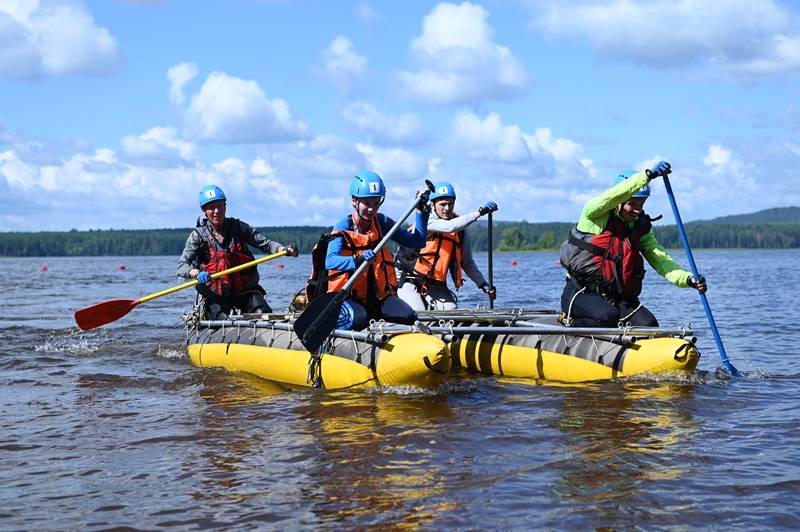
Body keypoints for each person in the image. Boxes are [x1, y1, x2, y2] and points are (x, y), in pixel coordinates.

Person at [558, 161, 707, 327]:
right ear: (619, 201)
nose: (637, 210)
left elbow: (660, 259)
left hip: (615, 297)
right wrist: (647, 176)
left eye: (642, 204)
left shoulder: (639, 227)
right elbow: (611, 196)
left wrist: (687, 279)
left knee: (649, 325)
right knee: (607, 317)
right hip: (580, 292)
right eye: (632, 203)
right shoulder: (593, 214)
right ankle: (569, 321)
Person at [324, 171, 430, 330]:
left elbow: (417, 241)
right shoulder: (343, 227)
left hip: (377, 297)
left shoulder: (382, 222)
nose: (372, 209)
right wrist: (357, 259)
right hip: (348, 297)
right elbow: (330, 261)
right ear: (354, 201)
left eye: (376, 202)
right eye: (367, 203)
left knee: (408, 315)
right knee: (361, 318)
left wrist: (421, 213)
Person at [177, 184, 298, 320]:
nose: (217, 211)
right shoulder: (198, 236)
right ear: (204, 210)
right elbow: (181, 266)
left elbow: (266, 244)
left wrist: (282, 249)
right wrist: (196, 273)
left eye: (220, 206)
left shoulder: (239, 228)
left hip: (245, 291)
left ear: (225, 206)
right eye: (211, 207)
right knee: (220, 317)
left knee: (262, 311)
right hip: (216, 294)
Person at [396, 181, 498, 310]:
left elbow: (467, 263)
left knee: (450, 310)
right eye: (442, 204)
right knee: (418, 312)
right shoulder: (425, 220)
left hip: (435, 284)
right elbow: (448, 227)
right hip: (409, 279)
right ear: (432, 204)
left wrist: (483, 284)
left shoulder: (459, 230)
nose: (447, 208)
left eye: (450, 204)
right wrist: (479, 212)